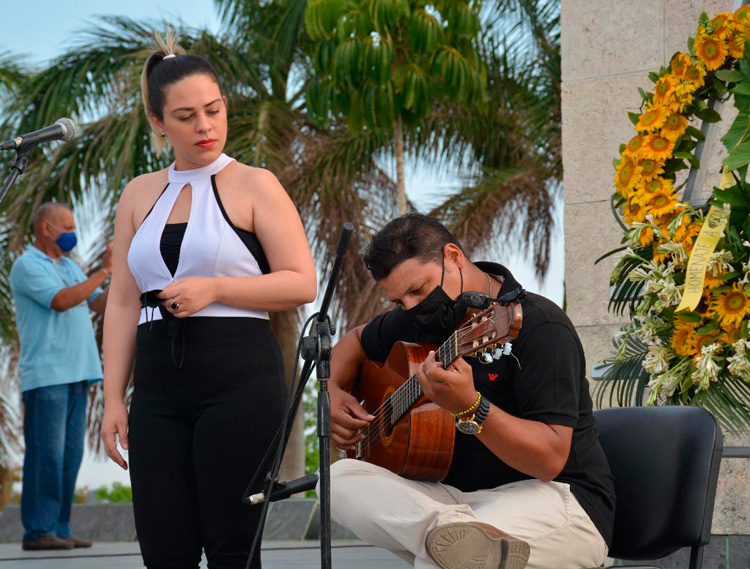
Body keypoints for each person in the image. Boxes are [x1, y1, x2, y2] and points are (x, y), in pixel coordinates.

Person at [99, 33, 316, 569]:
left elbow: (301, 282)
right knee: (164, 549)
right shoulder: (137, 194)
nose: (205, 126)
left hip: (239, 374)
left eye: (214, 110)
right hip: (156, 384)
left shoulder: (255, 184)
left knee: (232, 549)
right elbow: (123, 303)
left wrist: (216, 288)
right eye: (186, 115)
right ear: (158, 122)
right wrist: (113, 398)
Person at [326, 214, 615, 569]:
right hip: (455, 502)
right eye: (399, 302)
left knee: (450, 559)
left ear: (453, 256)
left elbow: (550, 460)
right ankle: (450, 533)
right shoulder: (419, 317)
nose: (411, 308)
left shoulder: (542, 326)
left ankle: (453, 539)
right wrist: (334, 391)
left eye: (418, 290)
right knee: (337, 481)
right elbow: (354, 340)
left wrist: (470, 406)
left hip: (560, 501)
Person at [9, 202, 111, 551]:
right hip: (47, 377)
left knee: (69, 456)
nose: (72, 232)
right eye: (65, 226)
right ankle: (37, 531)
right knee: (46, 454)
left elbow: (99, 304)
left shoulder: (70, 265)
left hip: (79, 373)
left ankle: (59, 528)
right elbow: (62, 301)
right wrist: (103, 271)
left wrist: (123, 275)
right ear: (46, 229)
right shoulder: (27, 265)